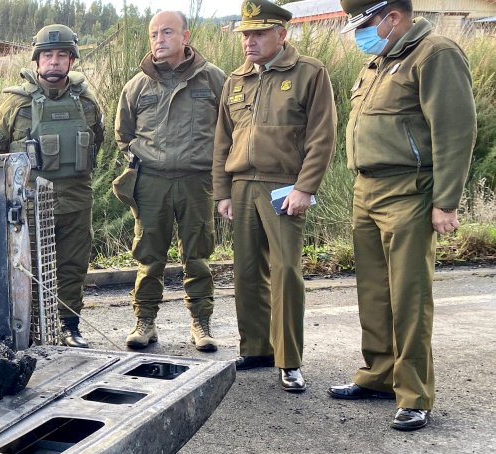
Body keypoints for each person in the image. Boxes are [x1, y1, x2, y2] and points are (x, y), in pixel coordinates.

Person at [328, 0, 476, 431]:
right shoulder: (379, 61)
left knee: (409, 296)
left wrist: (445, 202)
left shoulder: (435, 54)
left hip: (409, 191)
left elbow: (455, 130)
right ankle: (378, 375)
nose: (359, 34)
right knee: (373, 291)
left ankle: (414, 395)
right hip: (367, 189)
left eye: (364, 24)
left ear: (392, 17)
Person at [212, 0, 336, 392]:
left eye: (258, 33)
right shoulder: (235, 80)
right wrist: (223, 192)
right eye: (245, 34)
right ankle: (257, 348)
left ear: (281, 35)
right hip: (242, 186)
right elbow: (222, 142)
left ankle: (288, 359)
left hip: (284, 187)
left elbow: (322, 136)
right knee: (247, 272)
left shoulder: (309, 73)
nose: (249, 41)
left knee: (285, 272)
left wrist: (305, 187)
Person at [115, 10, 226, 352]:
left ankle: (201, 323)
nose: (159, 40)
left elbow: (230, 128)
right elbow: (124, 134)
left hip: (197, 182)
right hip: (152, 184)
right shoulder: (137, 86)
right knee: (149, 257)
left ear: (185, 36)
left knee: (198, 255)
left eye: (167, 32)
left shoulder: (213, 80)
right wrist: (144, 156)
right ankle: (144, 322)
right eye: (153, 34)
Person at [0, 24, 105, 348]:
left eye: (62, 55)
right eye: (48, 55)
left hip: (76, 200)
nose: (54, 61)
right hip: (30, 202)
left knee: (72, 267)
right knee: (27, 269)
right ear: (37, 60)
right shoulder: (15, 105)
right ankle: (32, 332)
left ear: (72, 60)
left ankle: (70, 327)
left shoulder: (87, 104)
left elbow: (98, 142)